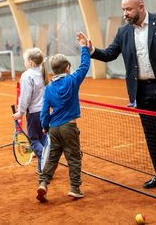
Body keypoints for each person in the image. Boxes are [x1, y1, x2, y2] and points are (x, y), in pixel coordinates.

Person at [82, 0, 156, 194]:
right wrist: (92, 49)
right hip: (141, 91)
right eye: (123, 10)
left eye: (128, 9)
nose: (125, 13)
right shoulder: (123, 32)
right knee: (151, 135)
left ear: (141, 6)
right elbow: (110, 54)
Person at [36, 33, 90, 203]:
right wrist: (83, 47)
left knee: (52, 158)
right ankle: (75, 188)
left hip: (53, 128)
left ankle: (43, 183)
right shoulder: (73, 80)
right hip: (69, 127)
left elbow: (44, 111)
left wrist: (45, 127)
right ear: (67, 68)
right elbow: (85, 66)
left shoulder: (49, 88)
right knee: (73, 157)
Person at [12, 47, 49, 174]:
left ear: (31, 62)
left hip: (33, 114)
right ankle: (42, 167)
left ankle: (45, 159)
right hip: (45, 112)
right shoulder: (43, 72)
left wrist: (20, 112)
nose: (24, 63)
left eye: (25, 61)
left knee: (34, 141)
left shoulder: (27, 75)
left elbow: (25, 96)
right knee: (43, 140)